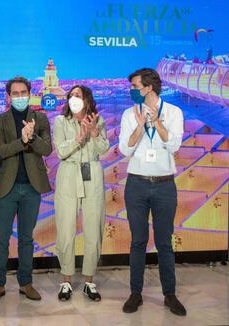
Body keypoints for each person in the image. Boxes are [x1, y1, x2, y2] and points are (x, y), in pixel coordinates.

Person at [119, 68, 186, 316]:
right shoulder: (129, 114)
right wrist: (138, 127)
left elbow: (175, 145)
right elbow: (125, 150)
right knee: (137, 241)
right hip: (136, 184)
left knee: (164, 242)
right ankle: (135, 293)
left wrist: (157, 123)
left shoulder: (173, 112)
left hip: (164, 185)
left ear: (149, 87)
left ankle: (170, 294)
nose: (132, 91)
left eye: (136, 86)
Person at [0, 76, 52, 303]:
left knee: (26, 238)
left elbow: (47, 149)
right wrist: (22, 141)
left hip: (32, 187)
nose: (20, 96)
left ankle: (26, 283)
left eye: (23, 92)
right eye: (15, 93)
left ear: (30, 93)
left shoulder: (41, 118)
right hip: (7, 187)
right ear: (8, 96)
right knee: (1, 239)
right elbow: (0, 151)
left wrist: (31, 136)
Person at [53, 85, 109, 301]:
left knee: (94, 227)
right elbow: (60, 151)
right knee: (66, 227)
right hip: (68, 173)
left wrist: (94, 133)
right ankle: (66, 280)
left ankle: (89, 282)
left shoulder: (98, 120)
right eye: (71, 96)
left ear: (87, 99)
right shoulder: (60, 121)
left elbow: (104, 149)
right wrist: (78, 138)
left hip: (92, 173)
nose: (73, 98)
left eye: (77, 95)